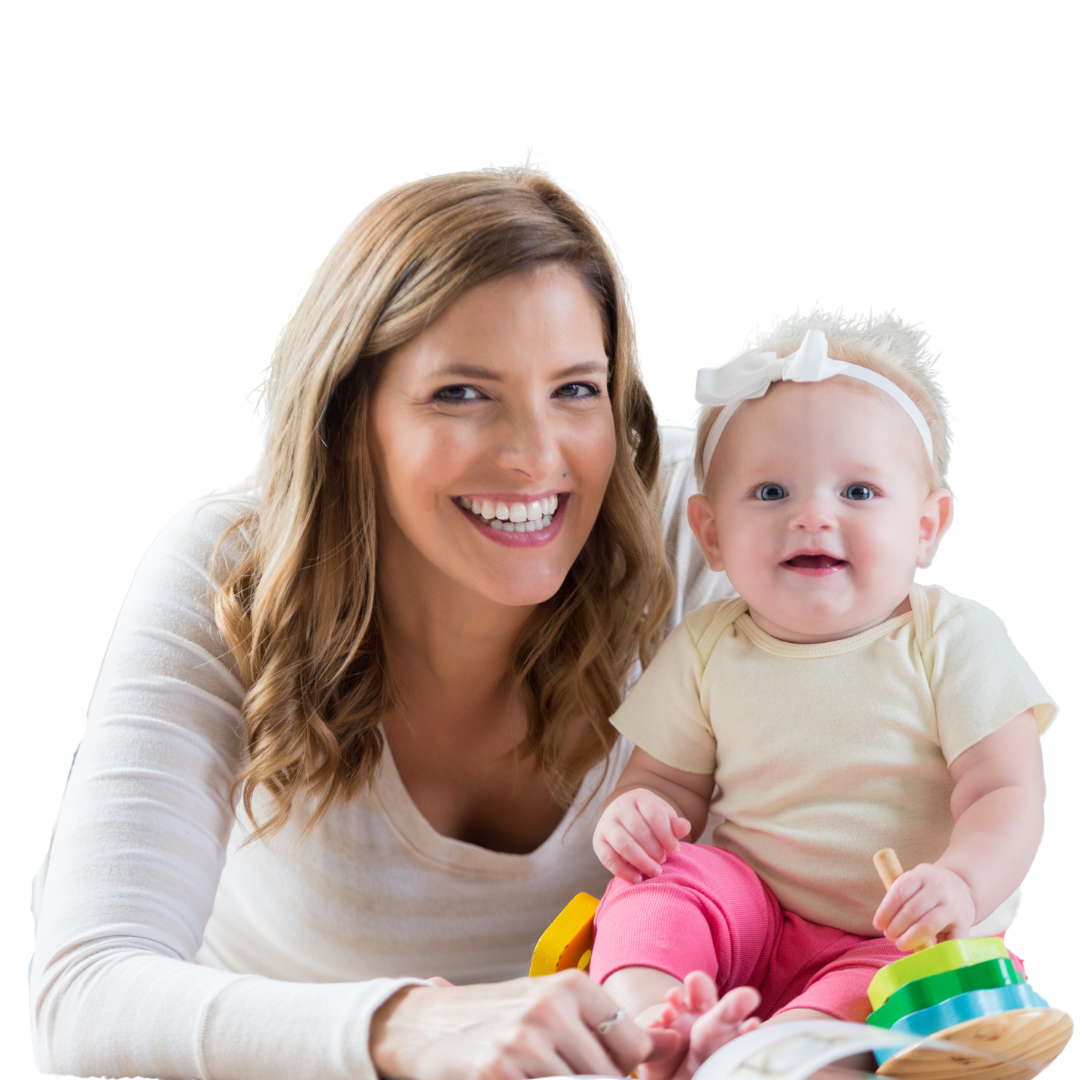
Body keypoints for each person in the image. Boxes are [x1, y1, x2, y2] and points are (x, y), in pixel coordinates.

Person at [27, 163, 738, 1079]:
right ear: (347, 416)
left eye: (575, 389)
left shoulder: (708, 525)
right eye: (461, 393)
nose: (535, 458)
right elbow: (83, 995)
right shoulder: (228, 569)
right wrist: (410, 1025)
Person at [589, 312, 1056, 1079]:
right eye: (771, 491)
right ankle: (653, 1019)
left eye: (859, 490)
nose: (812, 515)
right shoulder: (707, 646)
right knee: (662, 881)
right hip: (749, 918)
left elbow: (1005, 791)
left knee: (876, 998)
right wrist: (637, 815)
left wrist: (961, 882)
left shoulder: (952, 639)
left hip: (893, 936)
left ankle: (786, 1054)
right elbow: (668, 783)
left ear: (926, 526)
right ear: (711, 532)